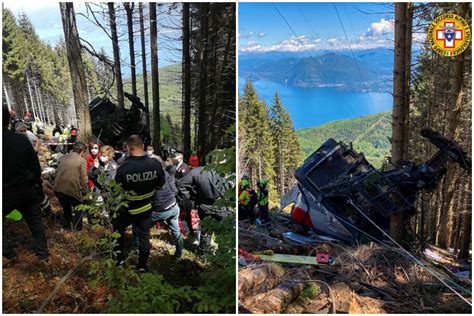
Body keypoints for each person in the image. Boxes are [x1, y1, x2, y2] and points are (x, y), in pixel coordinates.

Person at [3, 106, 49, 261]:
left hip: (6, 193)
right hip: (26, 189)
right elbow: (35, 166)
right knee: (35, 222)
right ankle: (43, 255)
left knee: (35, 221)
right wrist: (36, 184)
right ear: (9, 120)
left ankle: (9, 253)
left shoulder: (21, 138)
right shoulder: (21, 139)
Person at [114, 135, 165, 272]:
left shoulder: (123, 169)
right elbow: (161, 184)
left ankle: (119, 260)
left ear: (128, 148)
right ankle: (142, 265)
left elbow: (115, 191)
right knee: (144, 237)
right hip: (146, 208)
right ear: (142, 146)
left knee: (118, 231)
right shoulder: (155, 164)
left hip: (127, 209)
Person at [177, 166, 232, 247]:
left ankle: (204, 252)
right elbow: (181, 184)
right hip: (220, 207)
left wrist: (190, 198)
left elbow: (181, 183)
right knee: (221, 232)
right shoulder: (227, 172)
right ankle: (220, 253)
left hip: (205, 206)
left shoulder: (197, 171)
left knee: (206, 231)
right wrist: (191, 198)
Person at [53, 142, 88, 231]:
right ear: (82, 151)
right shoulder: (81, 161)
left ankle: (67, 225)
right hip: (70, 190)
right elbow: (84, 179)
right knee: (79, 207)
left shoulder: (62, 157)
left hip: (58, 189)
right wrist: (84, 192)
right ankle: (78, 228)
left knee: (66, 207)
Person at [150, 170, 184, 259]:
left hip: (161, 211)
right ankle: (179, 254)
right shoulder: (164, 172)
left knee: (139, 225)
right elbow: (174, 190)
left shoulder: (149, 177)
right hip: (174, 206)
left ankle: (137, 249)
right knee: (176, 231)